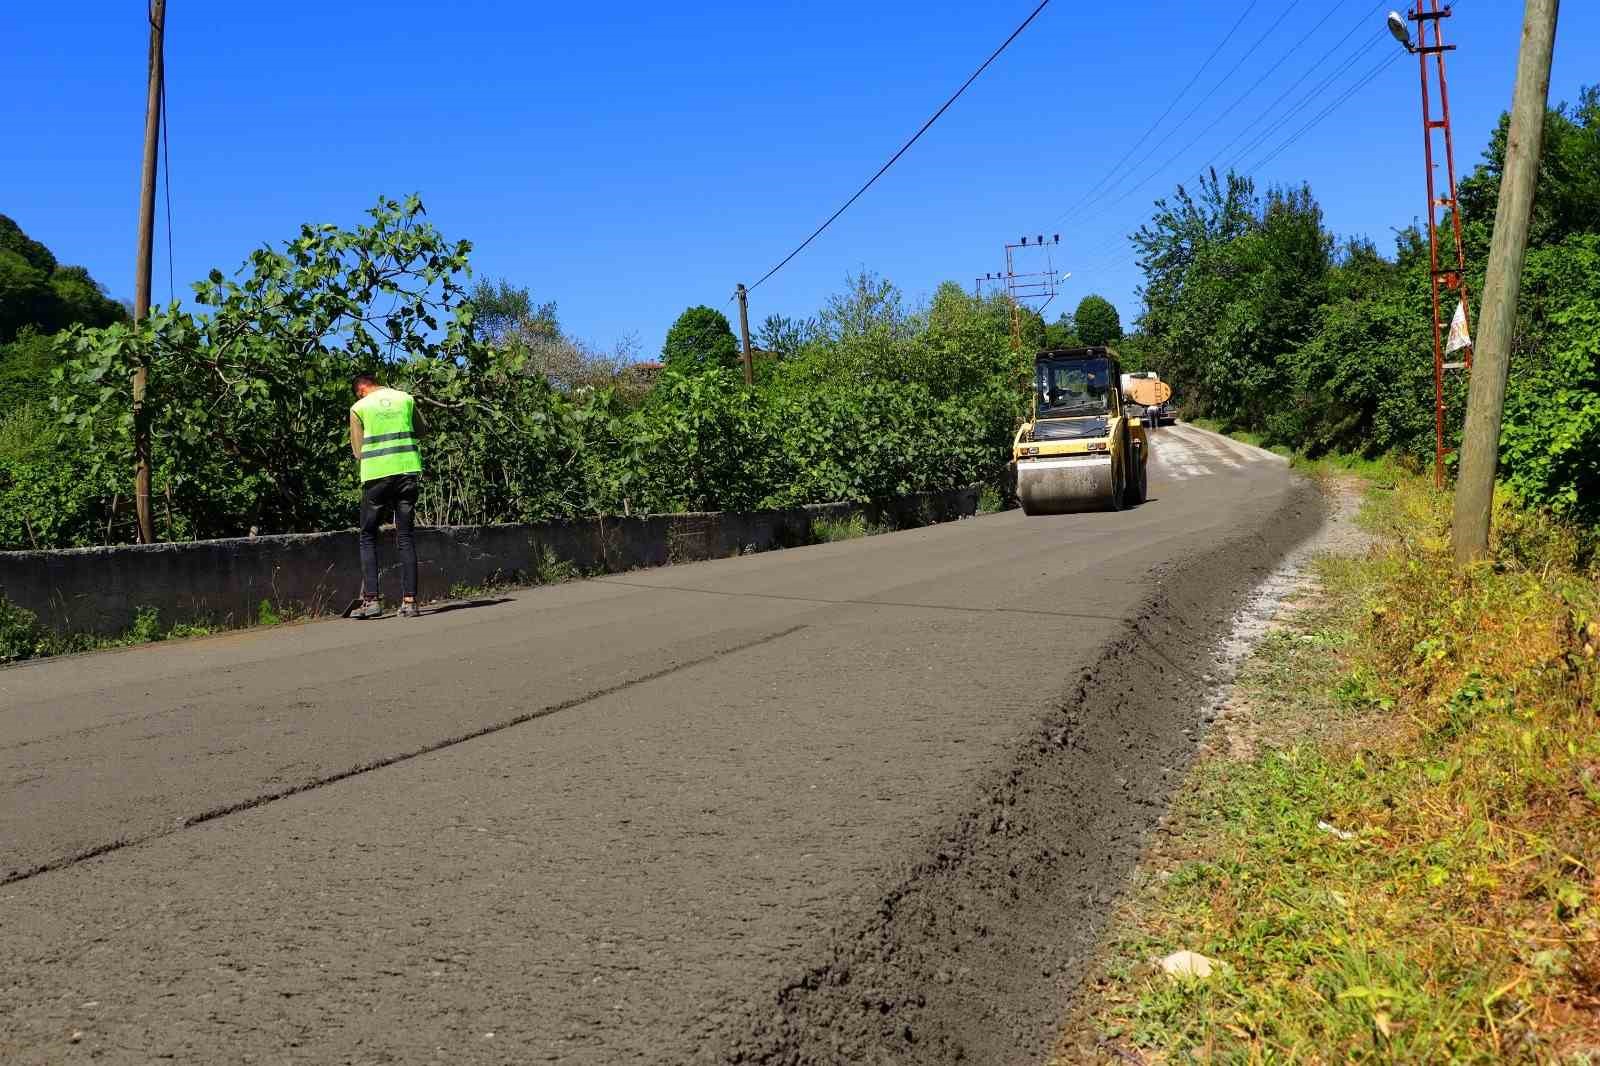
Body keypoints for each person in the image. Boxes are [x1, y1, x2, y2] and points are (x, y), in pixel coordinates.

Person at [348, 373, 427, 619]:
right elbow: (422, 431)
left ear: (360, 390)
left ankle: (371, 600)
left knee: (368, 535)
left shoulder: (359, 407)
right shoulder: (406, 399)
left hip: (377, 476)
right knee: (405, 536)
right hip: (407, 471)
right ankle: (410, 602)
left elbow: (358, 451)